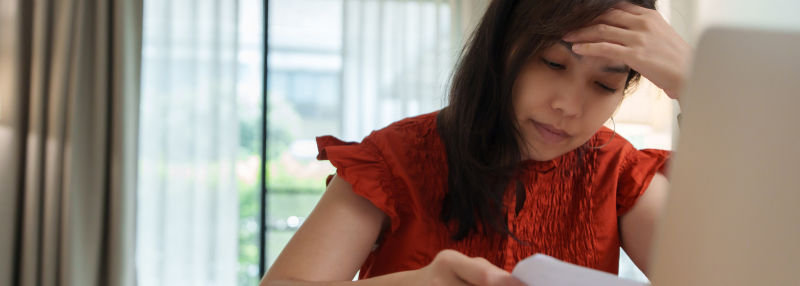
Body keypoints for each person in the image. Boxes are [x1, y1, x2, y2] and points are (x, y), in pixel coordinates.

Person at [261, 0, 692, 285]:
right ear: (502, 45)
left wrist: (697, 84)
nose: (569, 106)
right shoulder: (395, 158)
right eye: (552, 63)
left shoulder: (618, 172)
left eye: (603, 84)